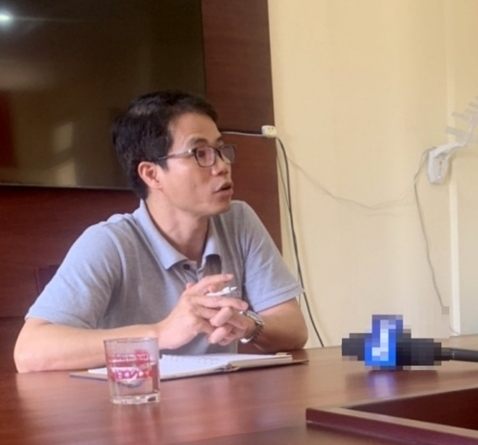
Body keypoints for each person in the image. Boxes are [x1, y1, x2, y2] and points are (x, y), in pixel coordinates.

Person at [14, 91, 308, 372]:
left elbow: (294, 329)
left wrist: (248, 324)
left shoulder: (238, 220)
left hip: (220, 402)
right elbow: (30, 352)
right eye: (200, 153)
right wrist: (160, 333)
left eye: (220, 150)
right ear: (152, 174)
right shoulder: (109, 242)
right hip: (136, 402)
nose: (222, 165)